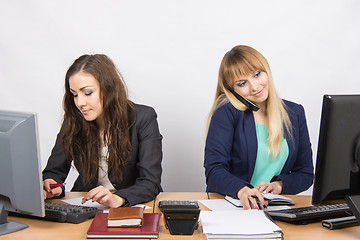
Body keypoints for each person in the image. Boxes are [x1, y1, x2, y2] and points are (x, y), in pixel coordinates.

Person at [42, 54, 163, 208]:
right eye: (74, 94)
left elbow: (150, 182)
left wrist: (117, 198)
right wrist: (53, 185)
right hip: (86, 205)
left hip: (132, 205)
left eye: (87, 93)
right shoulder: (74, 119)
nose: (79, 103)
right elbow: (54, 171)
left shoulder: (143, 118)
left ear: (109, 89)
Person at [204, 45, 314, 210]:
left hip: (272, 207)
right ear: (231, 90)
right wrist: (241, 190)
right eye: (242, 83)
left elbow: (305, 173)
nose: (255, 87)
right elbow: (214, 170)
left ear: (266, 71)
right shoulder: (226, 113)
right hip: (232, 206)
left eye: (257, 74)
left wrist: (280, 186)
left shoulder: (294, 113)